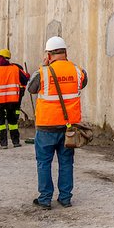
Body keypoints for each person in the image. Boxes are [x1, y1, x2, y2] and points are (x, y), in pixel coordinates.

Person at [27, 36, 87, 210]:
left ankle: (45, 199)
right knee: (66, 162)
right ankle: (65, 198)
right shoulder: (77, 71)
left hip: (47, 126)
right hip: (69, 127)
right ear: (66, 53)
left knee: (44, 162)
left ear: (48, 54)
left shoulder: (43, 72)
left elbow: (31, 88)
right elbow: (83, 83)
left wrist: (45, 65)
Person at [0, 48, 30, 148]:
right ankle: (15, 142)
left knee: (1, 123)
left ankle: (3, 144)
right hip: (13, 101)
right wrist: (26, 76)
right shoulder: (15, 69)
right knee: (13, 122)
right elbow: (25, 80)